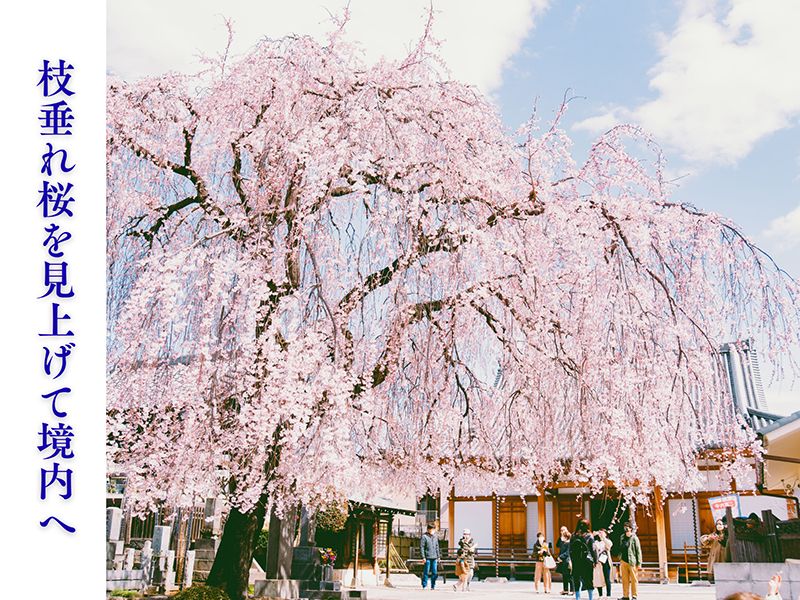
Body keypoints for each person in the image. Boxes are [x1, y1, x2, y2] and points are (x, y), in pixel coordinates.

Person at [570, 519, 598, 600]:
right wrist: (595, 560)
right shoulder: (589, 535)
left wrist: (571, 560)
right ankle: (590, 598)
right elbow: (593, 549)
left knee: (576, 579)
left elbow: (570, 549)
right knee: (589, 580)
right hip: (587, 560)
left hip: (576, 560)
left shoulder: (574, 535)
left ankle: (577, 598)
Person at [618, 522, 642, 600]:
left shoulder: (634, 538)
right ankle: (625, 595)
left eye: (627, 527)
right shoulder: (622, 537)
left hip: (632, 561)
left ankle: (634, 595)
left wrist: (639, 563)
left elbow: (638, 551)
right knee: (625, 580)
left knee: (634, 579)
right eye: (625, 527)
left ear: (631, 528)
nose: (626, 529)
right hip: (623, 560)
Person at [592, 529, 612, 597]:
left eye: (602, 532)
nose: (600, 534)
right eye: (600, 532)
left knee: (607, 578)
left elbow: (609, 546)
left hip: (606, 561)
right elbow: (592, 548)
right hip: (598, 562)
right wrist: (592, 535)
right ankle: (600, 595)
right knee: (598, 579)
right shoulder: (596, 542)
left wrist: (603, 538)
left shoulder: (607, 541)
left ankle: (608, 595)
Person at [420, 523, 440, 590]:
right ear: (428, 529)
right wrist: (423, 557)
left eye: (433, 529)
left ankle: (433, 585)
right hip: (427, 557)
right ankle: (424, 585)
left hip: (434, 557)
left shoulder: (435, 536)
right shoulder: (424, 537)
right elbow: (422, 547)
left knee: (435, 572)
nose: (432, 531)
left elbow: (437, 547)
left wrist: (438, 556)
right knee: (426, 572)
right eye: (431, 529)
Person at [556, 526, 573, 596]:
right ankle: (565, 590)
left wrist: (561, 557)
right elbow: (557, 545)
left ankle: (572, 590)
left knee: (569, 576)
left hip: (567, 560)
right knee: (564, 576)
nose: (561, 536)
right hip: (562, 561)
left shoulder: (569, 543)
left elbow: (567, 552)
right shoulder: (563, 542)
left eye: (563, 535)